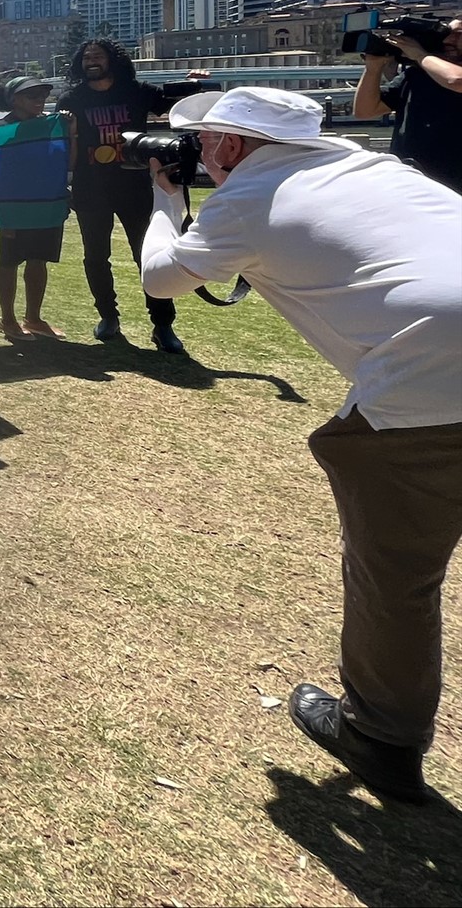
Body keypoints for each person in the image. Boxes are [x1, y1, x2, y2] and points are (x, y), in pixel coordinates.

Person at [137, 87, 462, 805]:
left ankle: (379, 738)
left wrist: (165, 203)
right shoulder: (373, 167)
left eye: (201, 141)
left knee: (397, 578)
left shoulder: (249, 196)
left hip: (431, 387)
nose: (196, 154)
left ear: (228, 145)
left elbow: (162, 276)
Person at [58, 38, 189, 354]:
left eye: (98, 56)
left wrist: (193, 86)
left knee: (147, 256)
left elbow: (177, 107)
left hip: (134, 187)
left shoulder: (136, 91)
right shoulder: (71, 99)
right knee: (95, 258)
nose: (92, 60)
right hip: (91, 189)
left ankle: (162, 324)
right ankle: (108, 316)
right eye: (86, 56)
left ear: (112, 60)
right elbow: (62, 146)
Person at [0, 76, 67, 342]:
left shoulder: (51, 125)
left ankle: (33, 318)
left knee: (38, 260)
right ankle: (7, 320)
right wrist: (4, 216)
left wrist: (73, 130)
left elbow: (66, 163)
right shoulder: (3, 129)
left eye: (42, 94)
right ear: (14, 99)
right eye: (31, 95)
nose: (39, 100)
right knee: (9, 263)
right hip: (15, 208)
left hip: (46, 206)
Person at [352, 16, 462, 193]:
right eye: (445, 34)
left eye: (458, 35)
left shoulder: (424, 64)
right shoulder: (417, 74)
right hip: (412, 182)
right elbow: (365, 111)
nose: (448, 40)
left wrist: (420, 55)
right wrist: (373, 68)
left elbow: (455, 80)